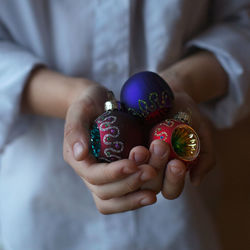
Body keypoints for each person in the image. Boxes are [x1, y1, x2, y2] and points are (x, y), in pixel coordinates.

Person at [0, 0, 249, 249]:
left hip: (181, 218)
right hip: (40, 213)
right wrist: (71, 95)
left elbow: (242, 23)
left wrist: (182, 83)